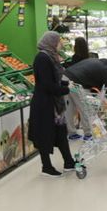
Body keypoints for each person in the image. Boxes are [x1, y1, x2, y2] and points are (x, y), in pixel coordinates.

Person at [28, 32, 76, 177]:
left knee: (61, 132)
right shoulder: (42, 58)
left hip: (54, 104)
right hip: (45, 104)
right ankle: (46, 167)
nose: (61, 43)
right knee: (44, 135)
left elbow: (53, 79)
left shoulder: (51, 56)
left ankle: (69, 162)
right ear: (51, 42)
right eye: (59, 40)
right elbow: (46, 85)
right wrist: (66, 89)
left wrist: (65, 83)